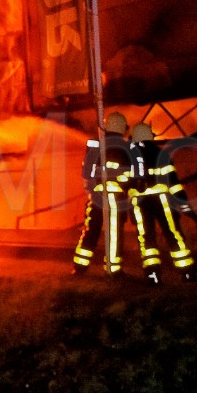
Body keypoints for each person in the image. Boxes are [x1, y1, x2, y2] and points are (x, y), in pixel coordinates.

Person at [127, 122, 196, 285]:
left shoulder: (130, 157)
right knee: (173, 235)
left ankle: (152, 275)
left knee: (146, 239)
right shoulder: (161, 154)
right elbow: (174, 183)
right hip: (162, 201)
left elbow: (124, 183)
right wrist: (184, 204)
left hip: (139, 203)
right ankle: (186, 272)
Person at [72, 111, 134, 278]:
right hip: (116, 198)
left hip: (97, 197)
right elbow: (132, 174)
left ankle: (79, 267)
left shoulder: (96, 144)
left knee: (91, 230)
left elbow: (86, 172)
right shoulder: (126, 147)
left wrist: (91, 191)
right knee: (114, 233)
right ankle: (113, 269)